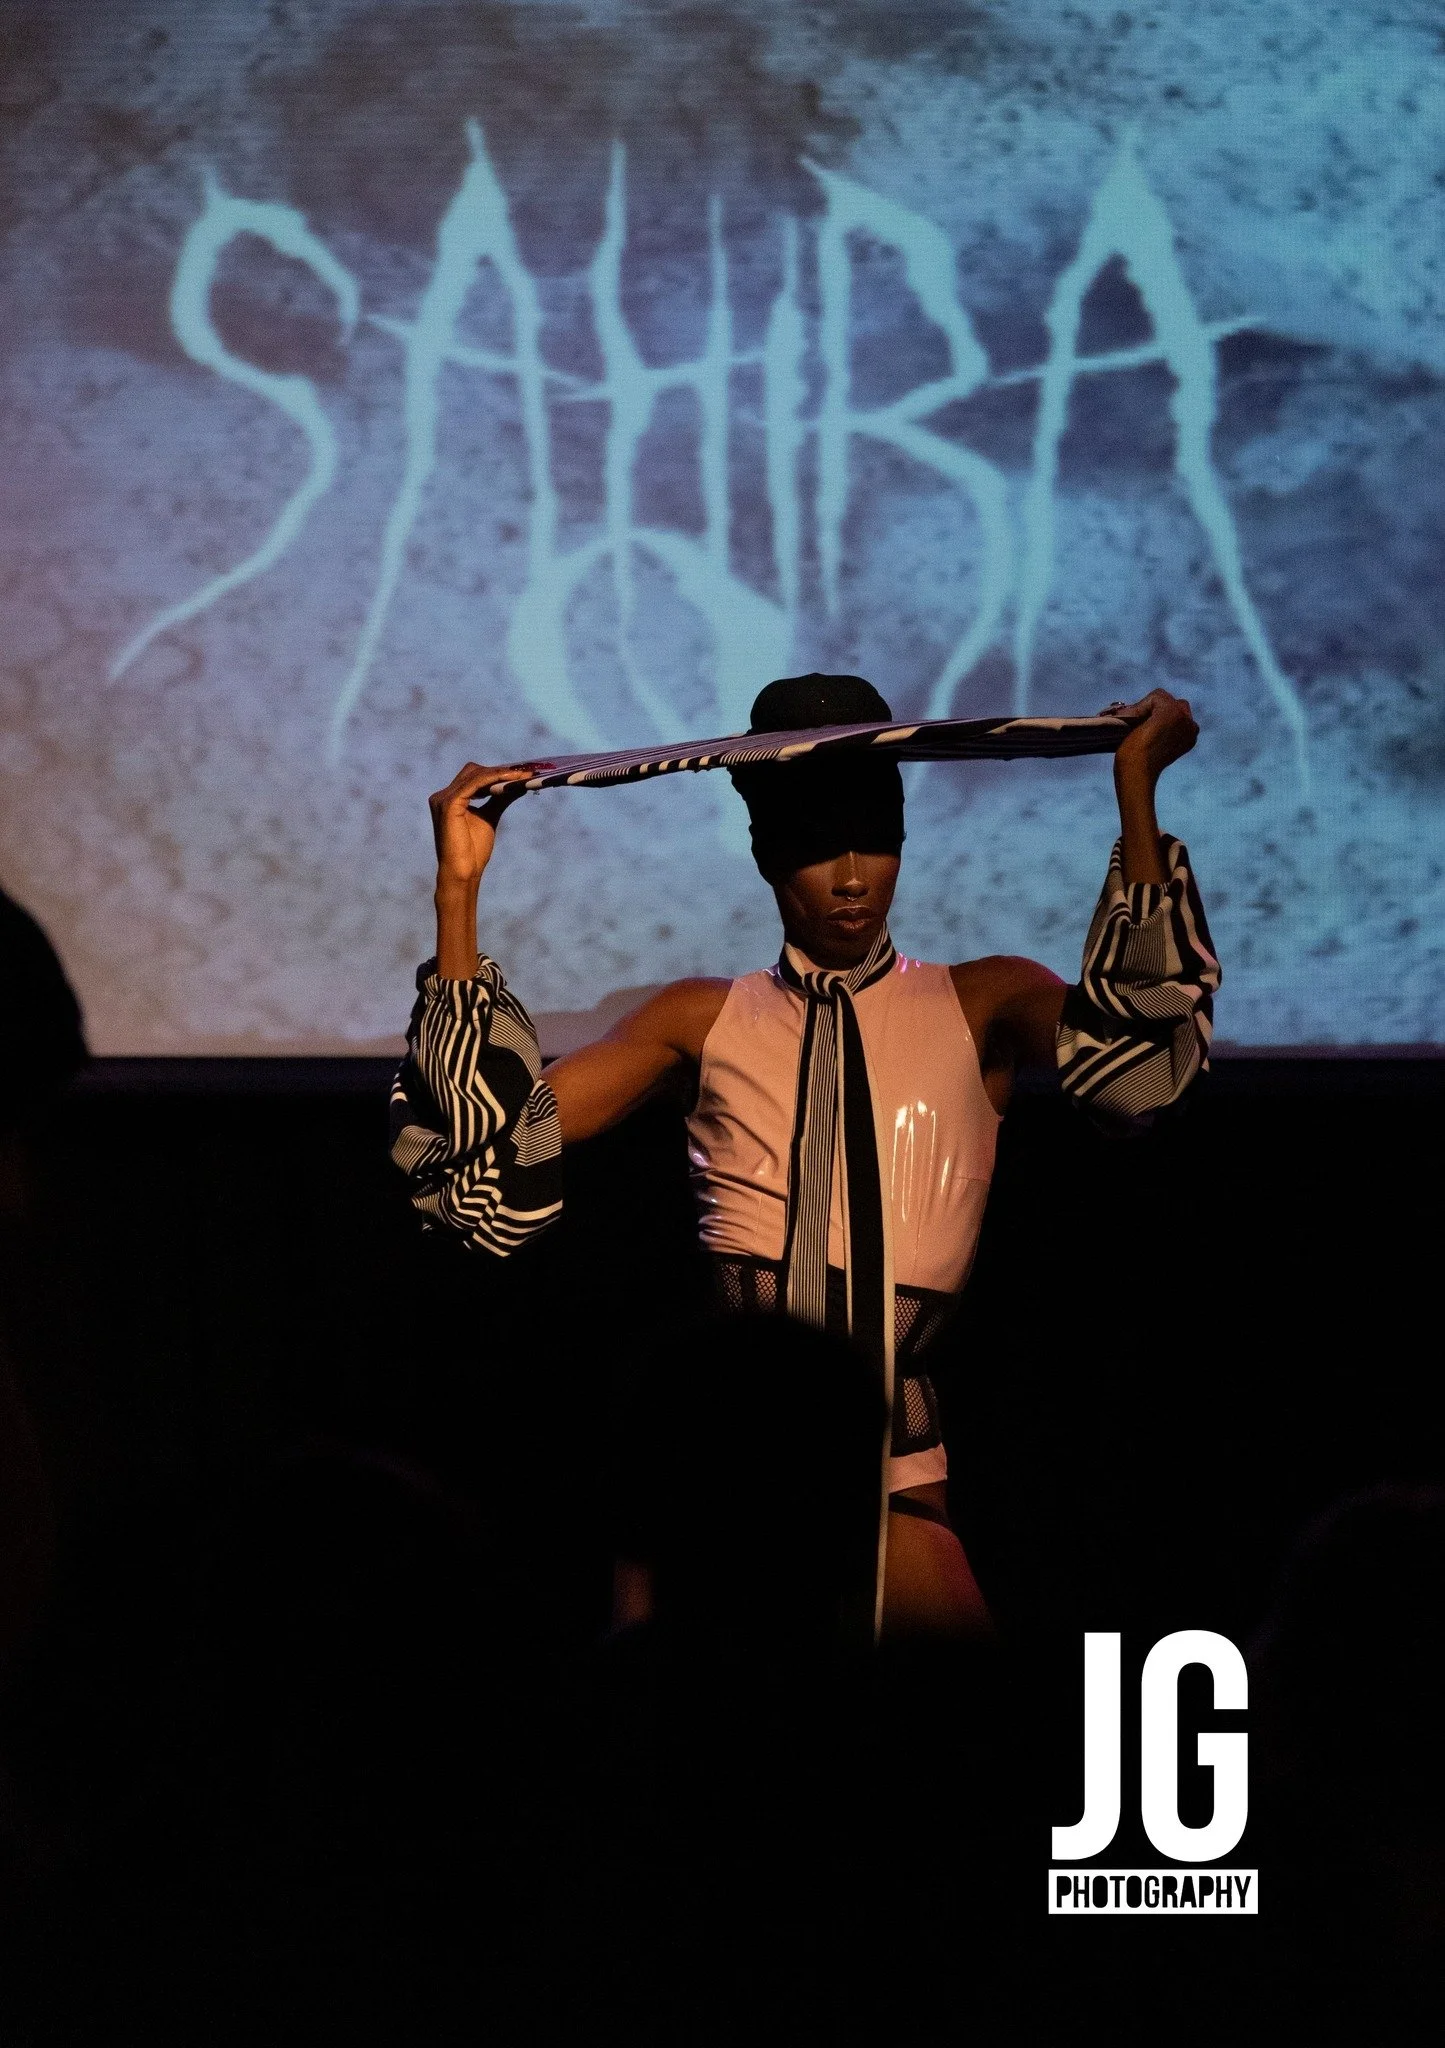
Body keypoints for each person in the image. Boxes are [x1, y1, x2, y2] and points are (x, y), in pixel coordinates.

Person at [390, 674, 1218, 1638]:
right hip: (719, 1459)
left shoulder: (982, 1000)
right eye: (818, 846)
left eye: (875, 840)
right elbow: (478, 1166)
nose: (852, 876)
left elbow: (1138, 1076)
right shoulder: (701, 1018)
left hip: (893, 1470)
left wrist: (1135, 793)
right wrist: (457, 892)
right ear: (765, 856)